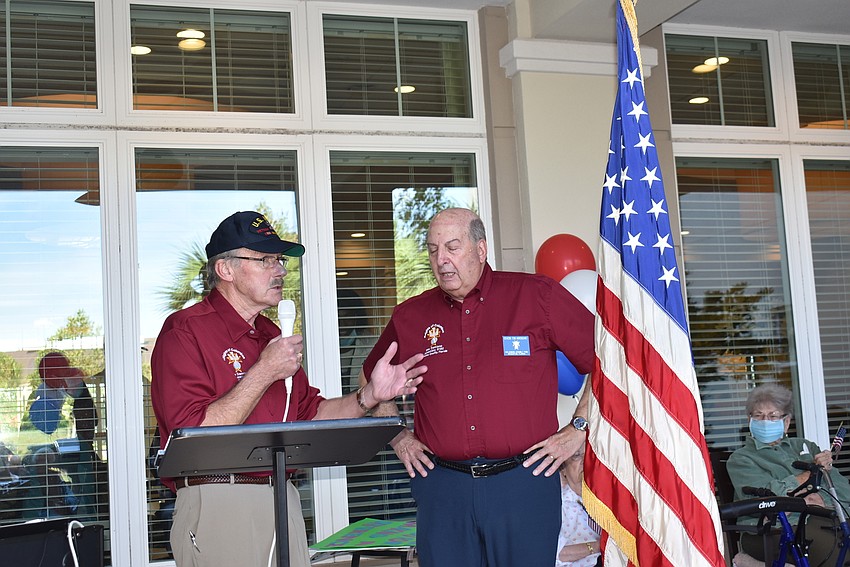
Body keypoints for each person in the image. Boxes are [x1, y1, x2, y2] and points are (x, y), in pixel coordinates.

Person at [150, 211, 426, 567]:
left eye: (279, 260)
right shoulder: (185, 331)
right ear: (226, 270)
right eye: (265, 259)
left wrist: (371, 395)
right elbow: (192, 434)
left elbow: (314, 414)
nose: (280, 270)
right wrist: (264, 370)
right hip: (218, 499)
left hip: (282, 496)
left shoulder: (269, 335)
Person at [360, 207, 595, 567]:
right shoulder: (411, 316)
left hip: (524, 483)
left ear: (481, 249)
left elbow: (610, 361)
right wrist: (398, 436)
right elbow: (370, 379)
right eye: (433, 249)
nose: (442, 260)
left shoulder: (536, 296)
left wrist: (578, 428)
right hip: (443, 489)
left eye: (453, 247)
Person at [726, 383, 850, 565]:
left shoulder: (804, 447)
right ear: (749, 420)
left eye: (772, 416)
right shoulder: (741, 459)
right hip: (773, 531)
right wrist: (809, 476)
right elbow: (768, 494)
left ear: (786, 422)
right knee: (840, 553)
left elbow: (844, 491)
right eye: (758, 415)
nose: (765, 421)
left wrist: (823, 500)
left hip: (824, 519)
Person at [556, 448, 601, 567]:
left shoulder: (617, 499)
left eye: (591, 455)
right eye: (576, 456)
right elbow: (556, 554)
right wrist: (599, 546)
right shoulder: (556, 505)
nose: (585, 461)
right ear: (563, 469)